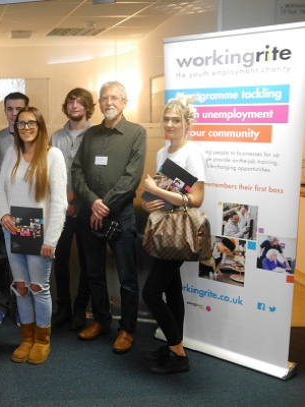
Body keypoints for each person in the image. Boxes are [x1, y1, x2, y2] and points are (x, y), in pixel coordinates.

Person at [71, 81, 146, 354]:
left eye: (115, 98)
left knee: (127, 277)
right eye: (105, 98)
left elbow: (132, 177)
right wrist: (92, 202)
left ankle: (127, 329)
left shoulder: (136, 133)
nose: (109, 102)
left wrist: (104, 206)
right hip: (90, 215)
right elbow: (76, 171)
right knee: (93, 273)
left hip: (121, 217)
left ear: (125, 102)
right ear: (99, 104)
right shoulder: (90, 135)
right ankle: (102, 321)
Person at [0, 106, 67, 364]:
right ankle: (26, 338)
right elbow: (1, 188)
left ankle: (42, 340)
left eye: (31, 123)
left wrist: (51, 240)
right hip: (14, 229)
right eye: (21, 123)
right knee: (22, 288)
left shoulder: (53, 156)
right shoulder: (12, 153)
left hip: (40, 233)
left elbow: (59, 202)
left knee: (39, 287)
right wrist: (3, 214)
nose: (26, 128)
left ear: (40, 126)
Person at [141, 96, 206, 374]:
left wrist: (156, 191)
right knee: (171, 290)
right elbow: (162, 195)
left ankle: (179, 355)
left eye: (176, 120)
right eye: (166, 118)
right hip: (165, 229)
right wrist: (148, 201)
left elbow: (198, 199)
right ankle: (172, 346)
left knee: (151, 293)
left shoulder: (193, 154)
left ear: (187, 123)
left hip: (181, 232)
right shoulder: (162, 153)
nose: (169, 124)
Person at [50, 87, 95, 331]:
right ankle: (63, 307)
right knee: (61, 260)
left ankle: (80, 308)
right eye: (71, 102)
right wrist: (62, 202)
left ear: (88, 107)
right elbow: (50, 173)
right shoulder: (56, 137)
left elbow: (95, 175)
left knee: (88, 262)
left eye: (80, 102)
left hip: (87, 209)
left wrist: (75, 200)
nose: (75, 106)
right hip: (60, 209)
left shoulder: (97, 136)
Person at [0, 92, 28, 327]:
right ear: (4, 110)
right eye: (9, 109)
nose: (14, 113)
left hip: (25, 211)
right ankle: (1, 305)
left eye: (18, 109)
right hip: (0, 212)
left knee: (23, 263)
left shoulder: (35, 139)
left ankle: (22, 307)